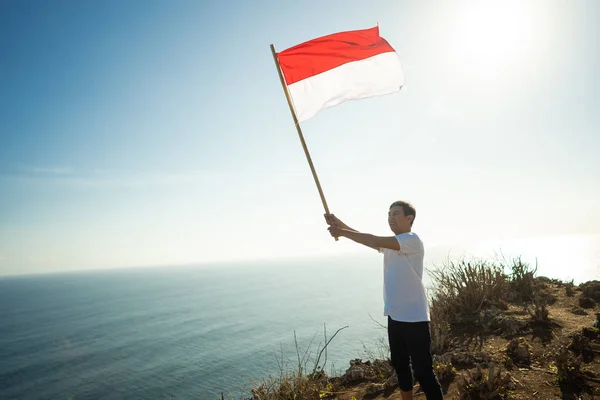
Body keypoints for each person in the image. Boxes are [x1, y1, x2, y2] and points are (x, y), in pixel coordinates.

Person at [325, 200, 443, 400]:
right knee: (400, 365)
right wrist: (339, 224)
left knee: (423, 371)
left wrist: (342, 232)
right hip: (395, 316)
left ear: (409, 218)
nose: (390, 218)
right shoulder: (391, 244)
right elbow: (368, 239)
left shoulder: (411, 240)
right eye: (389, 214)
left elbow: (372, 239)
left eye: (395, 214)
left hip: (414, 318)